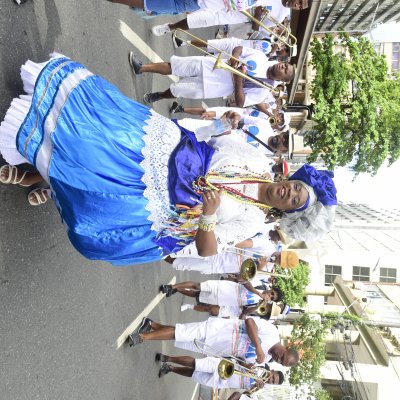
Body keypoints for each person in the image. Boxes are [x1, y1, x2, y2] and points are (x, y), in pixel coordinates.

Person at [0, 55, 336, 265]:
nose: (289, 193)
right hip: (172, 151)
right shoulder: (260, 164)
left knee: (97, 188)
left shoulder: (253, 222)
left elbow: (208, 250)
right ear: (292, 179)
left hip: (171, 207)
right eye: (296, 187)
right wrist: (221, 124)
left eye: (294, 200)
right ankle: (39, 166)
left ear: (289, 212)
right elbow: (213, 141)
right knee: (102, 137)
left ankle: (40, 174)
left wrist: (209, 215)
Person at [129, 49, 295, 106]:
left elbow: (241, 102)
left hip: (215, 87)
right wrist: (235, 56)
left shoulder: (264, 92)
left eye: (285, 70)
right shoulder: (261, 57)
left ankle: (159, 95)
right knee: (176, 65)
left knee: (178, 89)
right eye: (284, 64)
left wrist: (238, 82)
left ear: (282, 80)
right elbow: (239, 48)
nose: (282, 66)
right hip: (212, 65)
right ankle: (142, 68)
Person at [127, 316, 299, 368]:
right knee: (182, 333)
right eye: (282, 357)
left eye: (280, 362)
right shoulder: (273, 333)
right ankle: (142, 337)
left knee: (179, 335)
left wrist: (246, 366)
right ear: (286, 348)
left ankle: (152, 325)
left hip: (214, 347)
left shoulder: (265, 360)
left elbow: (239, 360)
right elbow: (249, 322)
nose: (277, 359)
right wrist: (260, 348)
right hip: (219, 329)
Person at [145, 0, 309, 36]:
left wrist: (257, 17)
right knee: (189, 4)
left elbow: (256, 29)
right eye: (299, 2)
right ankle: (156, 8)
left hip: (234, 16)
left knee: (199, 20)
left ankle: (169, 27)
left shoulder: (280, 16)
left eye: (300, 7)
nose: (297, 5)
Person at [156, 354, 284, 390]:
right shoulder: (261, 363)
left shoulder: (259, 387)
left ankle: (170, 368)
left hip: (221, 382)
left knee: (193, 374)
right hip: (223, 366)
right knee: (196, 364)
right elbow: (239, 357)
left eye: (272, 382)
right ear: (272, 371)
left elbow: (241, 396)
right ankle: (168, 358)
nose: (270, 380)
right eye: (273, 377)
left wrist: (252, 389)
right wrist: (247, 366)